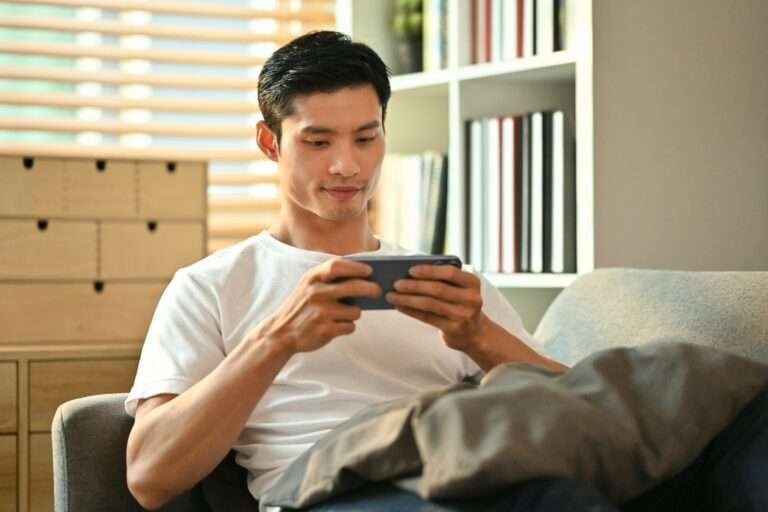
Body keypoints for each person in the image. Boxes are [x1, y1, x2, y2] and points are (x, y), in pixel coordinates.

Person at [125, 31, 768, 512]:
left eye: (366, 137)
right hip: (332, 490)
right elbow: (150, 475)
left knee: (719, 403)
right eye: (318, 142)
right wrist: (276, 340)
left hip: (476, 465)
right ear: (270, 143)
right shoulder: (210, 286)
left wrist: (479, 338)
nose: (347, 166)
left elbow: (580, 411)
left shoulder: (448, 285)